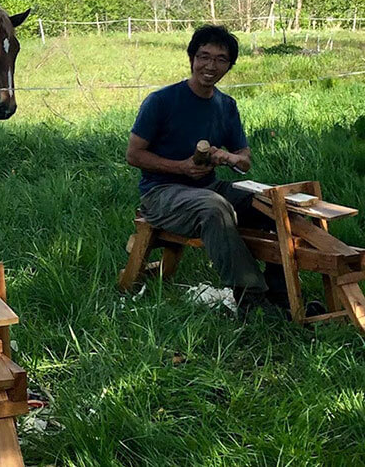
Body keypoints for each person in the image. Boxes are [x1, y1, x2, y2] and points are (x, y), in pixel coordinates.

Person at [125, 25, 320, 316]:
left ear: (229, 66)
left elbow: (245, 159)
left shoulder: (225, 105)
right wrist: (181, 167)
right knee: (215, 207)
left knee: (277, 204)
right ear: (192, 58)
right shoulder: (162, 101)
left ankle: (281, 293)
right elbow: (134, 155)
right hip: (161, 193)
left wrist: (226, 157)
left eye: (220, 59)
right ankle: (251, 299)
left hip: (208, 188)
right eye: (204, 56)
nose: (210, 66)